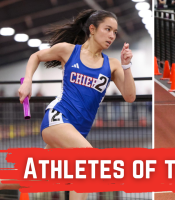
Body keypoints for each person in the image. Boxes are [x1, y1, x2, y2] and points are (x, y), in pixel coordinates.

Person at [0, 9, 136, 199]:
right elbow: (36, 56)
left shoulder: (112, 64)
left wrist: (126, 66)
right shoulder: (69, 50)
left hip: (78, 130)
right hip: (58, 118)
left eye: (115, 31)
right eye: (108, 29)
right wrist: (28, 81)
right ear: (92, 29)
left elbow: (130, 96)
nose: (112, 35)